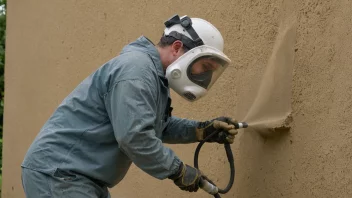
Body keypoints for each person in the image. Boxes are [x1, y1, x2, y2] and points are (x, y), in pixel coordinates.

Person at [21, 14, 238, 198]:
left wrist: (201, 130)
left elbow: (157, 126)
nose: (205, 75)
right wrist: (178, 171)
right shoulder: (137, 72)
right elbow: (134, 137)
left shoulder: (152, 76)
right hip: (59, 174)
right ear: (177, 47)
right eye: (205, 66)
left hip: (74, 175)